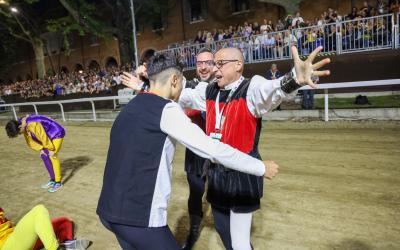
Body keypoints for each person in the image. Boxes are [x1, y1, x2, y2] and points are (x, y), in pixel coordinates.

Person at [121, 46, 330, 249]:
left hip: (243, 175)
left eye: (220, 64)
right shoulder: (208, 90)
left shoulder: (252, 88)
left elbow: (272, 91)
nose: (215, 69)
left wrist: (294, 78)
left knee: (239, 242)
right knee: (222, 229)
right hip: (217, 174)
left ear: (238, 65)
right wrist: (145, 88)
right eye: (214, 64)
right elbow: (179, 95)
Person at [97, 54, 278, 250]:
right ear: (174, 80)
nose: (183, 91)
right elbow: (213, 149)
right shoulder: (166, 110)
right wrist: (260, 167)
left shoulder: (130, 107)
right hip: (139, 218)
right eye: (183, 83)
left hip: (108, 211)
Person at [181, 48, 215, 250]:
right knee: (196, 191)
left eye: (207, 62)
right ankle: (193, 230)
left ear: (215, 64)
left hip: (220, 147)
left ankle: (228, 230)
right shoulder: (191, 86)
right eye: (199, 63)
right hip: (195, 148)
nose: (203, 67)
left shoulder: (222, 85)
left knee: (221, 191)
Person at [5, 115, 65, 193]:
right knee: (44, 156)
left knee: (52, 156)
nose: (20, 134)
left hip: (57, 132)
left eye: (19, 133)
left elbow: (43, 137)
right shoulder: (21, 123)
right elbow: (31, 139)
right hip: (48, 134)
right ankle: (53, 180)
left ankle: (58, 183)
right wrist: (41, 149)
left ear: (20, 127)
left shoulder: (32, 125)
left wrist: (50, 149)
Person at [0, 205, 91, 250]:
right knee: (39, 212)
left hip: (11, 236)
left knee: (47, 226)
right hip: (7, 245)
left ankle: (61, 246)